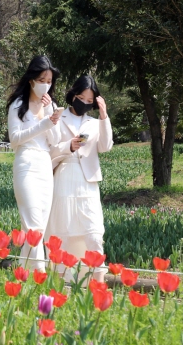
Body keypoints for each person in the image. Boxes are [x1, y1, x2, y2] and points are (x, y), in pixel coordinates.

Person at [46, 75, 113, 282]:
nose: (84, 103)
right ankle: (60, 280)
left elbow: (105, 146)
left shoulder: (94, 123)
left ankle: (96, 280)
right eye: (81, 98)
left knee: (92, 229)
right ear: (73, 95)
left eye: (89, 101)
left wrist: (104, 116)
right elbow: (48, 150)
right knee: (63, 227)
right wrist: (69, 146)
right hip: (64, 175)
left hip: (87, 181)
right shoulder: (58, 116)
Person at [7, 56, 63, 270]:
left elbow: (55, 140)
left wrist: (50, 114)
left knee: (39, 227)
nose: (46, 85)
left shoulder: (52, 106)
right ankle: (38, 274)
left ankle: (25, 276)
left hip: (44, 167)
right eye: (42, 80)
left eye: (49, 81)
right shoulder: (18, 106)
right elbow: (15, 139)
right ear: (31, 80)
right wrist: (43, 124)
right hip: (26, 164)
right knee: (32, 226)